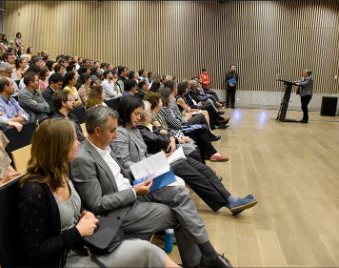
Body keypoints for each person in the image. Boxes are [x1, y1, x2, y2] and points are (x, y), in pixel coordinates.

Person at [71, 105, 234, 268]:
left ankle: (207, 256)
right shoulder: (83, 160)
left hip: (133, 189)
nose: (116, 135)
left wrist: (151, 168)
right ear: (98, 131)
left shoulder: (104, 145)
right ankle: (203, 260)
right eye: (112, 130)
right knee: (181, 215)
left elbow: (121, 174)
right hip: (119, 210)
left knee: (181, 194)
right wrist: (134, 192)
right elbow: (97, 203)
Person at [19, 118, 178, 267]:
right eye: (73, 140)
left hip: (87, 246)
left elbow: (72, 211)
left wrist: (84, 214)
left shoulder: (62, 173)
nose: (78, 144)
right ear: (59, 148)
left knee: (148, 251)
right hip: (67, 260)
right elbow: (34, 253)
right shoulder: (34, 191)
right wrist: (78, 231)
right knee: (147, 252)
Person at [112, 96, 257, 214]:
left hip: (149, 168)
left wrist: (159, 158)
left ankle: (230, 198)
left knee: (200, 168)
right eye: (136, 114)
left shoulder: (134, 129)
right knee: (188, 169)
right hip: (141, 177)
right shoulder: (121, 134)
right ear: (125, 112)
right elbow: (125, 165)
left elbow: (144, 153)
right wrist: (155, 162)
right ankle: (228, 202)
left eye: (140, 113)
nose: (139, 117)